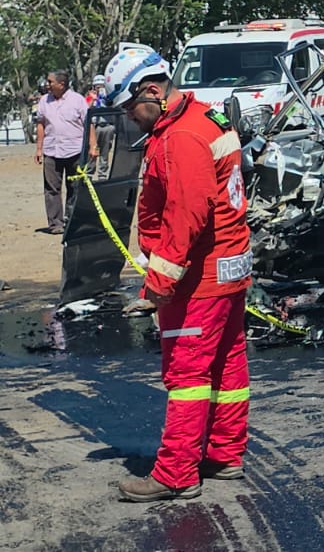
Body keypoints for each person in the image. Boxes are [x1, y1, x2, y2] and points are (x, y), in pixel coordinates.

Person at [101, 44, 253, 503]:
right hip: (228, 267)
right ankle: (225, 453)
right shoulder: (207, 118)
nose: (131, 118)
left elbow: (187, 215)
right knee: (227, 365)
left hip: (199, 278)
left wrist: (159, 285)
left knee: (187, 376)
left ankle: (176, 473)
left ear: (152, 90)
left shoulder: (181, 137)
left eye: (132, 107)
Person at [35, 70, 87, 235]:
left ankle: (72, 220)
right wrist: (39, 148)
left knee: (75, 187)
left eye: (50, 82)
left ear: (61, 84)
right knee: (51, 188)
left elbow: (88, 123)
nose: (47, 85)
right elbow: (41, 125)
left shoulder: (78, 100)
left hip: (75, 150)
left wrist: (93, 146)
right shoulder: (44, 101)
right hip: (51, 150)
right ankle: (55, 223)